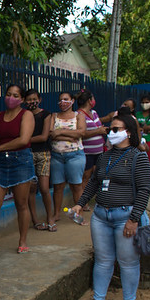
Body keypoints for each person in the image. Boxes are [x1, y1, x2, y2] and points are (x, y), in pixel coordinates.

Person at [69, 108, 150, 300]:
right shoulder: (104, 157)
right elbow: (95, 183)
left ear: (129, 132)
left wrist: (134, 219)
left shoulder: (138, 157)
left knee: (128, 261)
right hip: (101, 216)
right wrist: (80, 203)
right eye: (110, 129)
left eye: (116, 129)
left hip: (126, 216)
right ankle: (98, 298)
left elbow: (145, 189)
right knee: (103, 259)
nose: (110, 132)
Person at [0, 83, 36, 254]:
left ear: (21, 99)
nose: (11, 98)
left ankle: (23, 241)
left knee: (21, 203)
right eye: (8, 94)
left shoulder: (26, 115)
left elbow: (24, 140)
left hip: (21, 160)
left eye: (16, 95)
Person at [47, 92, 85, 227]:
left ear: (72, 101)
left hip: (75, 155)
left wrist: (61, 132)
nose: (62, 102)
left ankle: (78, 214)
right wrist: (70, 137)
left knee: (76, 186)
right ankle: (57, 213)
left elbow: (81, 133)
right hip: (57, 155)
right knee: (58, 186)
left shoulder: (79, 116)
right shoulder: (54, 116)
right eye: (60, 100)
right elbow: (51, 134)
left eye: (66, 99)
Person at [24, 89, 54, 231]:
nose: (32, 102)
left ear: (39, 99)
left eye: (34, 99)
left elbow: (44, 136)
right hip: (28, 153)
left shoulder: (46, 114)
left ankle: (50, 218)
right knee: (31, 189)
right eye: (29, 99)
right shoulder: (23, 115)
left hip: (43, 153)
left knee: (44, 188)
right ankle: (35, 220)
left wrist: (25, 140)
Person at [77, 90, 107, 204]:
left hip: (99, 150)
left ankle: (98, 199)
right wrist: (98, 131)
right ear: (89, 101)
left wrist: (101, 130)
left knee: (98, 175)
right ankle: (82, 202)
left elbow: (99, 127)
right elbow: (82, 133)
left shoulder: (94, 113)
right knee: (86, 176)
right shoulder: (79, 115)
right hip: (87, 152)